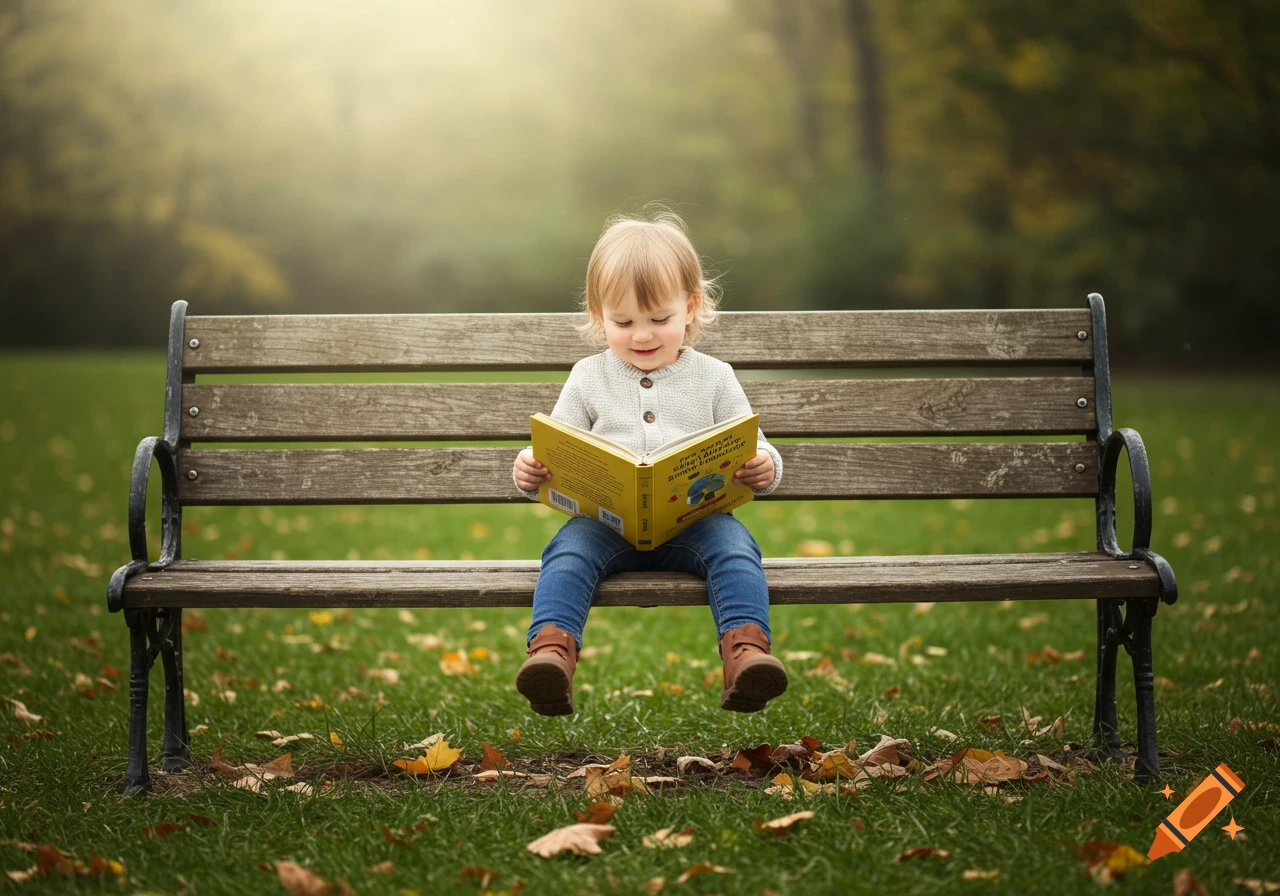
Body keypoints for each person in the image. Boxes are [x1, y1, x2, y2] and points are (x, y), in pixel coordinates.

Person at [511, 209, 786, 716]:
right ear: (599, 316)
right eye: (623, 322)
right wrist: (530, 466)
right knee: (566, 551)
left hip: (696, 522)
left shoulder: (715, 377)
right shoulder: (588, 376)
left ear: (691, 307)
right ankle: (550, 654)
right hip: (605, 524)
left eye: (659, 319)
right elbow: (555, 444)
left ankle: (747, 655)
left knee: (736, 547)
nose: (642, 335)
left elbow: (757, 445)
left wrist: (764, 466)